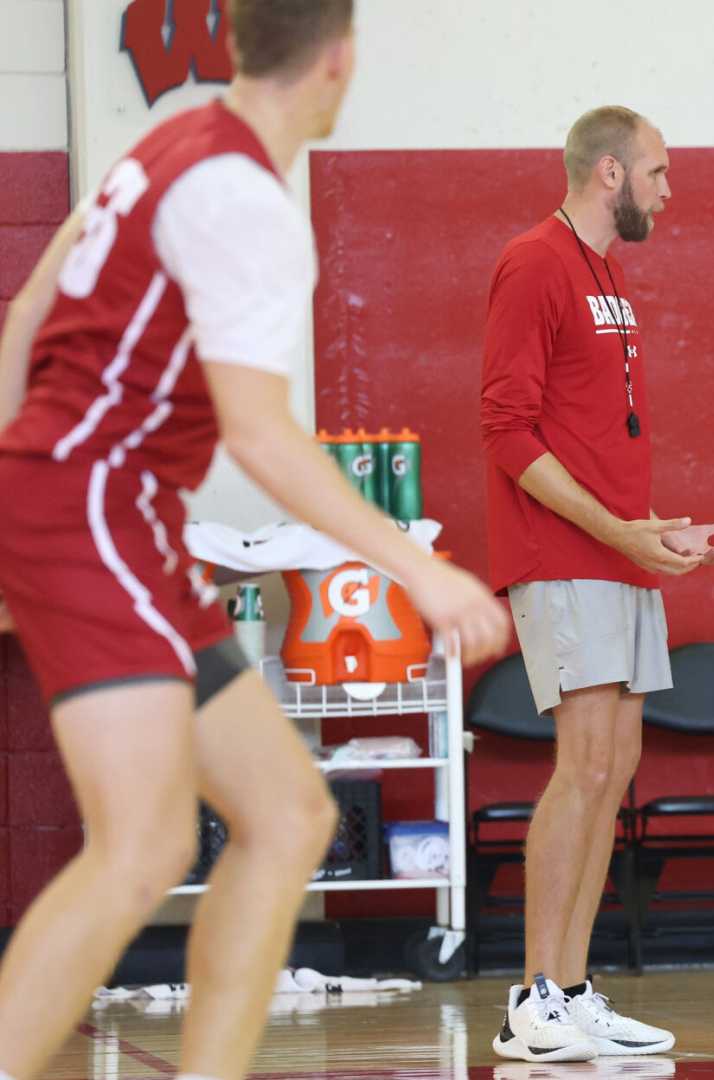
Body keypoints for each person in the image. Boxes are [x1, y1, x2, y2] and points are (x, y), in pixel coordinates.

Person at [0, 4, 510, 1079]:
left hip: (104, 513)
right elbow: (260, 431)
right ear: (340, 60)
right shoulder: (245, 201)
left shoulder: (161, 148)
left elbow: (32, 307)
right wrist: (417, 564)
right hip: (92, 506)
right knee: (142, 846)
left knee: (284, 816)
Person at [480, 105, 714, 1064]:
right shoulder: (533, 260)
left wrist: (653, 534)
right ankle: (532, 995)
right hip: (561, 556)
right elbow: (509, 434)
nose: (669, 192)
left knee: (616, 767)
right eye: (659, 173)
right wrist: (616, 532)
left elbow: (597, 439)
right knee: (582, 765)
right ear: (608, 173)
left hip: (616, 556)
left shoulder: (608, 273)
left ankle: (575, 989)